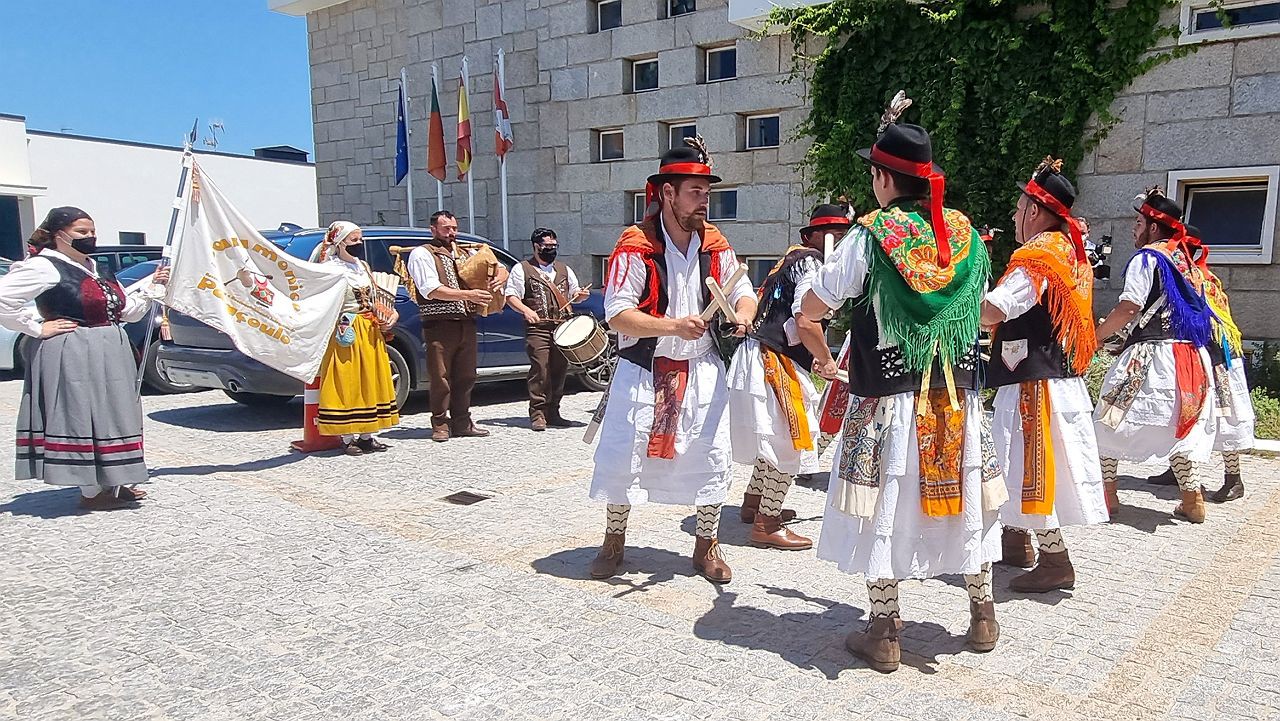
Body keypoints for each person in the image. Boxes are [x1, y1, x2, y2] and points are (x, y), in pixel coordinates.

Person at [800, 93, 1003, 673]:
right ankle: (982, 613)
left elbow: (819, 301)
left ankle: (884, 628)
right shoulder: (961, 234)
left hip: (890, 398)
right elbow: (982, 307)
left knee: (885, 506)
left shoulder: (870, 236)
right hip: (956, 398)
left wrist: (809, 317)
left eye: (873, 173)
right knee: (965, 501)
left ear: (886, 178)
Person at [587, 138, 756, 584]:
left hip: (701, 370)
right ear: (666, 193)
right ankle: (614, 540)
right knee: (624, 457)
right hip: (645, 369)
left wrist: (741, 316)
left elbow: (744, 292)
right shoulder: (636, 245)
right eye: (694, 192)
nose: (704, 201)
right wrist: (671, 327)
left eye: (706, 192)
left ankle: (707, 547)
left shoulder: (716, 244)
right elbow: (618, 312)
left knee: (711, 458)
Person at [980, 158, 1108, 593]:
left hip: (1036, 382)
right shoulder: (1068, 252)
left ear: (1034, 211)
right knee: (1018, 462)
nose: (1015, 217)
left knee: (1028, 468)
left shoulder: (1037, 256)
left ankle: (1056, 560)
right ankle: (1016, 545)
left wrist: (948, 302)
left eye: (1018, 209)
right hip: (1053, 376)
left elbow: (997, 309)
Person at [0, 207, 169, 509]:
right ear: (59, 234)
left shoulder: (94, 266)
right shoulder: (44, 266)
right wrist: (36, 327)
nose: (90, 237)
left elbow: (127, 311)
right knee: (80, 414)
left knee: (113, 414)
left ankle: (113, 482)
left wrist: (151, 287)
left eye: (92, 231)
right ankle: (91, 492)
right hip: (73, 349)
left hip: (110, 347)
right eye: (82, 232)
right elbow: (3, 297)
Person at [727, 204, 852, 550]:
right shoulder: (812, 263)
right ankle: (768, 521)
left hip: (761, 355)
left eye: (842, 236)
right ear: (812, 236)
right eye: (833, 235)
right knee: (794, 441)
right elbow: (804, 321)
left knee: (773, 439)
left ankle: (754, 504)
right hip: (772, 361)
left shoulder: (791, 260)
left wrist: (810, 357)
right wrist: (826, 359)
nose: (838, 242)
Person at [1094, 188, 1217, 523]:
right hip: (1189, 359)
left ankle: (1107, 496)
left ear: (1152, 227)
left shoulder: (1148, 258)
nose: (1133, 229)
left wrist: (1098, 336)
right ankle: (1192, 499)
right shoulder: (1185, 261)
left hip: (1151, 358)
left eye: (1138, 222)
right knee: (1180, 429)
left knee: (1106, 420)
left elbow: (1130, 305)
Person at [1144, 223, 1254, 502]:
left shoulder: (1201, 280)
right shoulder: (1195, 277)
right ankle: (1175, 468)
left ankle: (1234, 478)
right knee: (1184, 411)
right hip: (1203, 354)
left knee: (1223, 415)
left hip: (1219, 358)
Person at [407, 210, 508, 442]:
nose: (451, 233)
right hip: (438, 323)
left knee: (466, 375)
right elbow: (430, 289)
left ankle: (462, 421)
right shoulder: (422, 254)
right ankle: (440, 424)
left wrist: (502, 274)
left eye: (454, 228)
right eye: (446, 229)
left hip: (466, 322)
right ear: (433, 229)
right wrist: (468, 295)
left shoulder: (464, 251)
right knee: (440, 376)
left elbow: (498, 265)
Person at [314, 221, 400, 455]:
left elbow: (375, 297)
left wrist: (389, 314)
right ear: (339, 242)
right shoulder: (330, 269)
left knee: (370, 377)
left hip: (369, 326)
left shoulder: (362, 266)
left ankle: (366, 435)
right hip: (346, 326)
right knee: (347, 378)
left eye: (360, 240)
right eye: (353, 241)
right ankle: (346, 437)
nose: (358, 244)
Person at [504, 227, 590, 431]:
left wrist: (580, 295)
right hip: (538, 327)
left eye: (554, 246)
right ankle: (538, 413)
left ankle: (554, 411)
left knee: (559, 370)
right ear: (536, 247)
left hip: (561, 327)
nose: (551, 249)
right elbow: (511, 296)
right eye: (546, 246)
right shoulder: (522, 269)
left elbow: (574, 292)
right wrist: (525, 310)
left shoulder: (564, 269)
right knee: (540, 369)